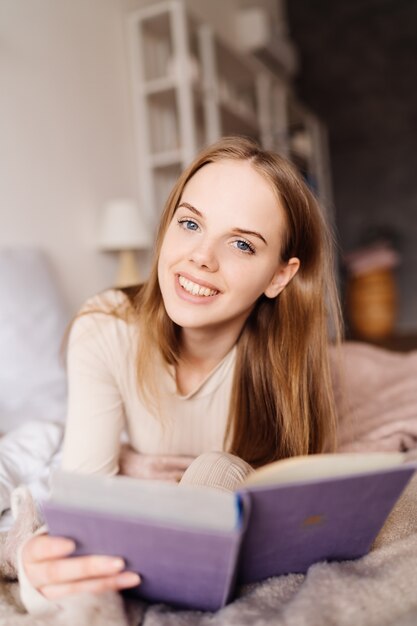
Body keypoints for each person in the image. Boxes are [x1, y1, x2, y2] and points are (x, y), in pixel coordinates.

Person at [18, 136, 342, 614]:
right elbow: (84, 506)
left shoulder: (288, 362)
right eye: (190, 223)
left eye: (240, 244)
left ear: (279, 276)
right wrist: (34, 564)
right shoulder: (105, 329)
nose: (201, 257)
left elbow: (301, 519)